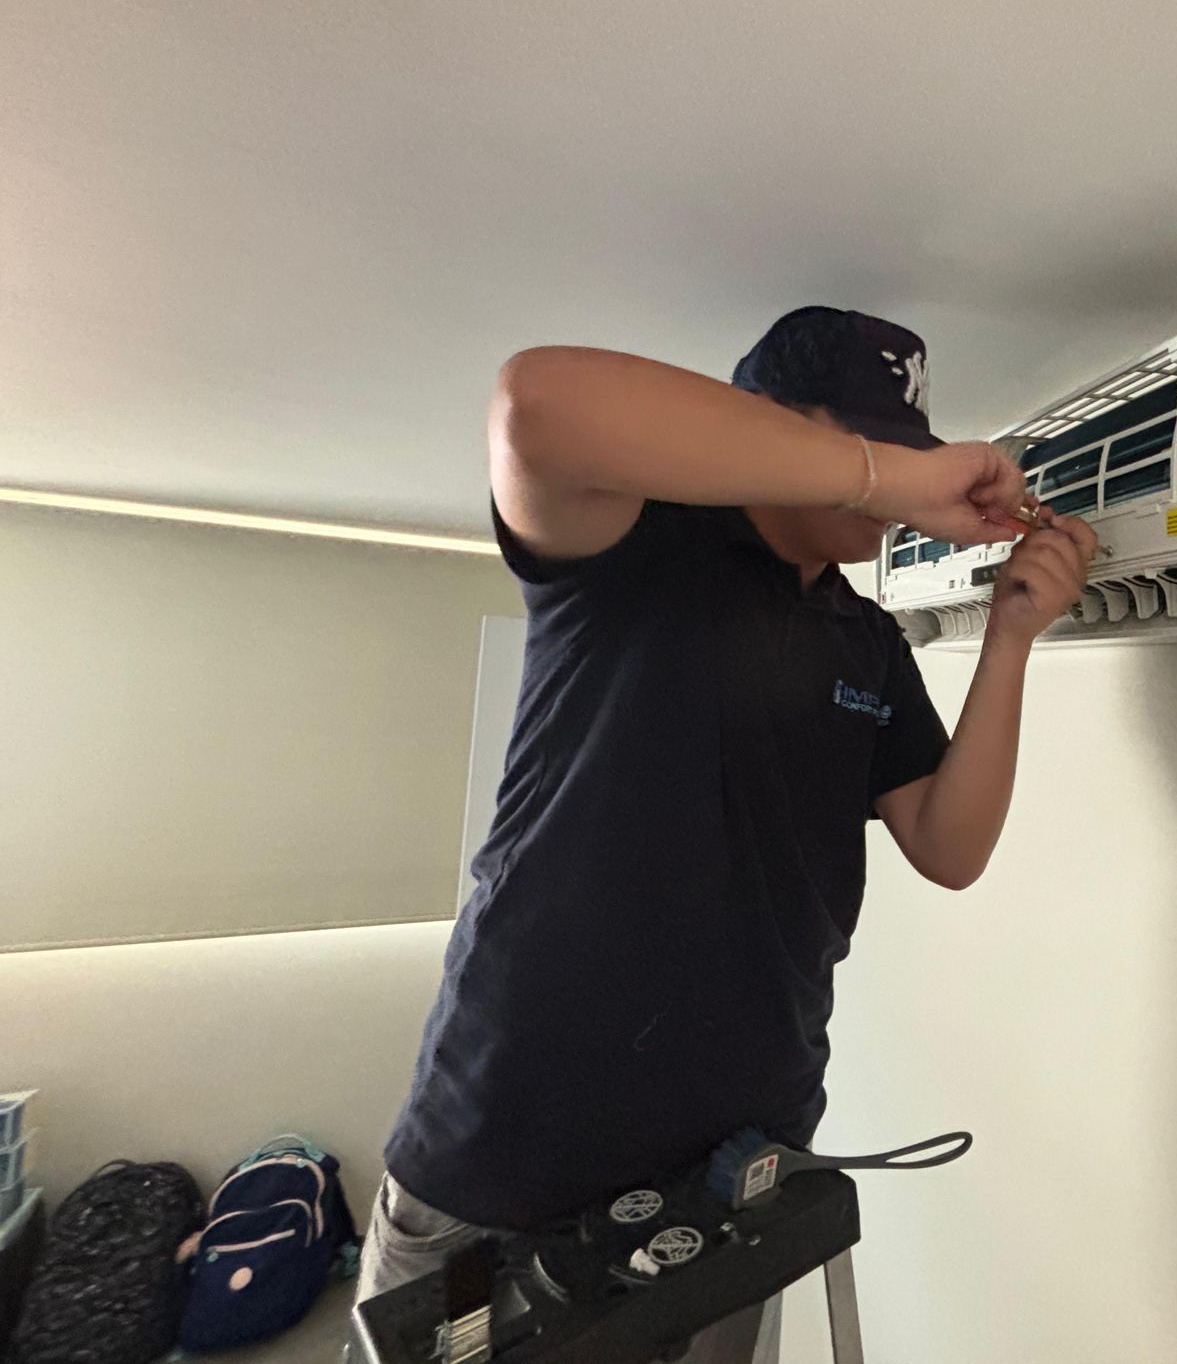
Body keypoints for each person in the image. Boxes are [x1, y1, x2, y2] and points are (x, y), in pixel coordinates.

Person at [357, 307, 1097, 1361]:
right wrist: (874, 474)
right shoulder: (627, 541)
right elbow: (535, 405)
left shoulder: (864, 638)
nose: (900, 481)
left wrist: (1014, 634)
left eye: (911, 451)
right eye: (870, 441)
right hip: (508, 1166)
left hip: (738, 1170)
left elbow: (949, 843)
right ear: (778, 426)